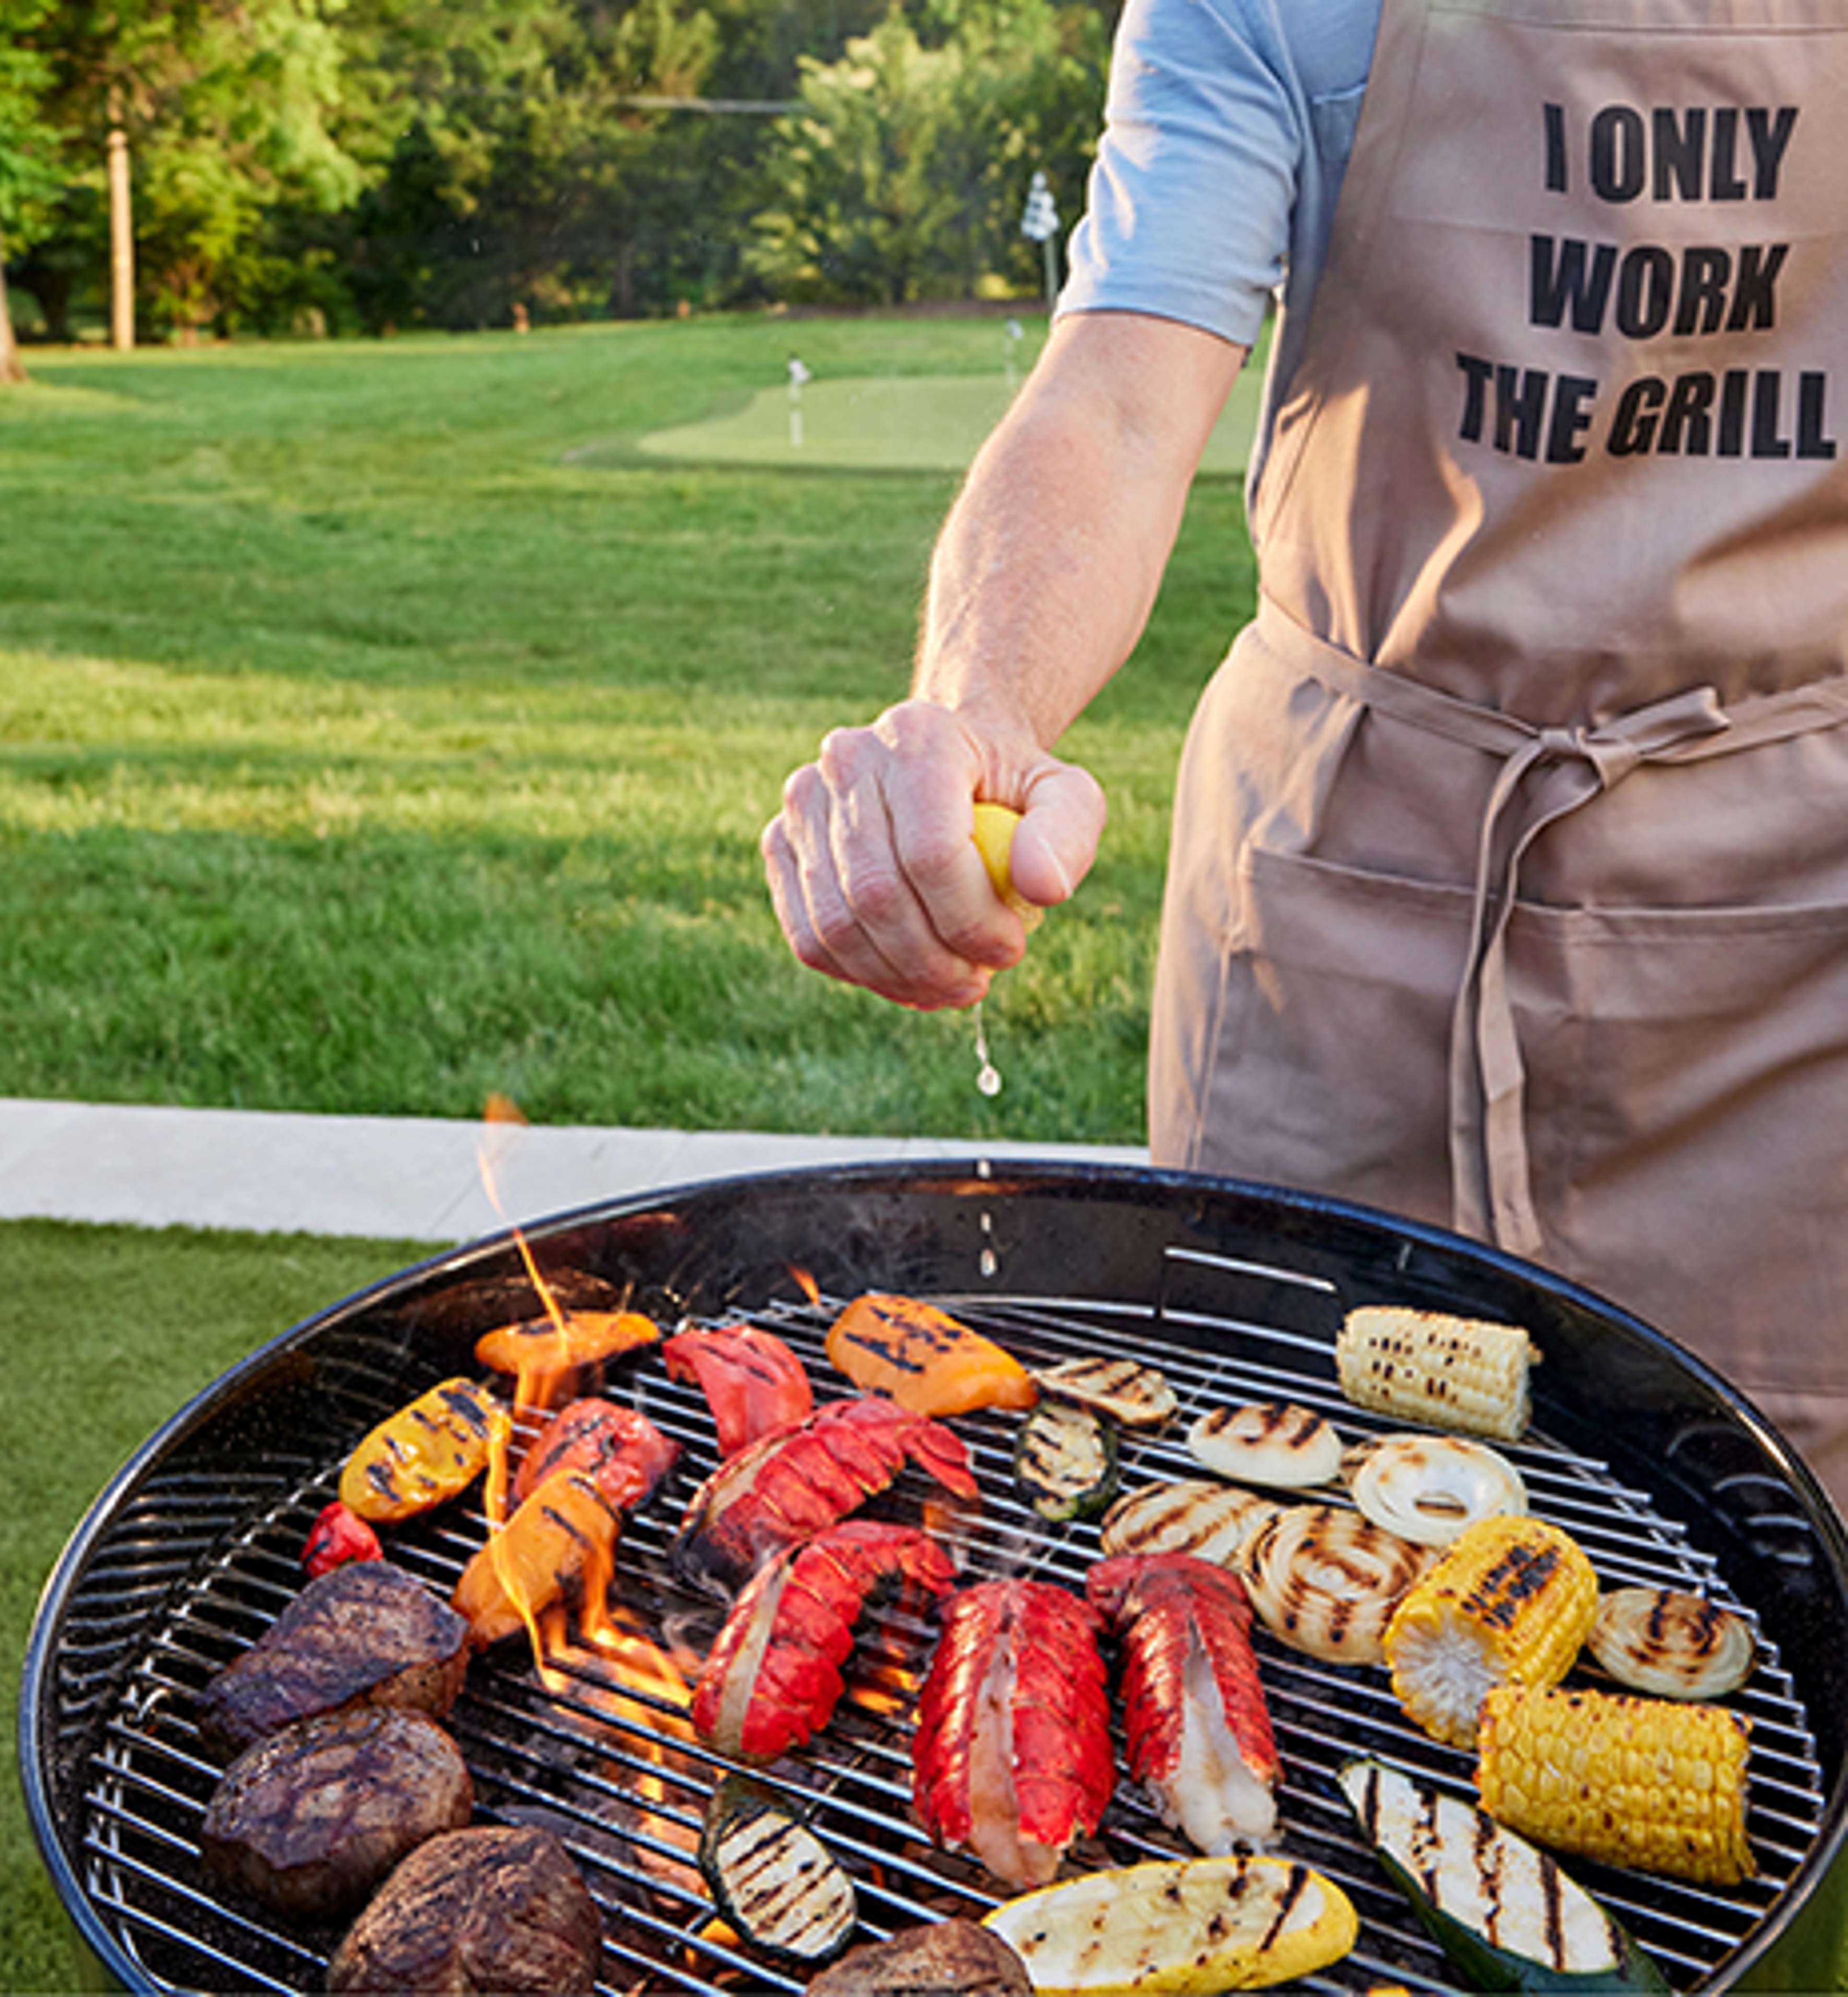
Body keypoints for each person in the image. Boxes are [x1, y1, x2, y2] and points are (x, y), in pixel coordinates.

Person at [760, 0, 1848, 1511]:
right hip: (1349, 898)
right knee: (1263, 1518)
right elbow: (1120, 399)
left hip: (1799, 950)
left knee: (1776, 1553)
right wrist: (976, 708)